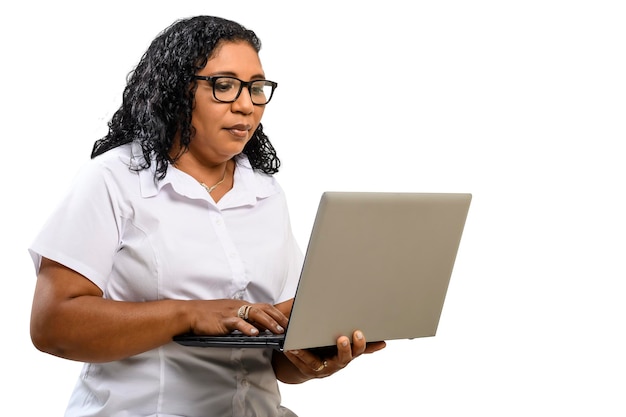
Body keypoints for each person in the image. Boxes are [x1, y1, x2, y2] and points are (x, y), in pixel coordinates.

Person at [28, 15, 386, 417]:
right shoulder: (114, 180)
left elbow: (275, 360)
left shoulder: (266, 194)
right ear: (177, 90)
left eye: (256, 88)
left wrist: (315, 357)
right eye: (225, 85)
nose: (247, 104)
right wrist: (190, 312)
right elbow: (52, 325)